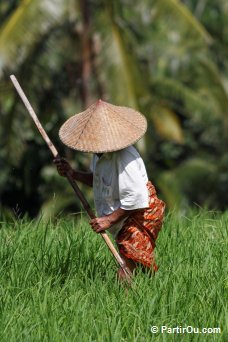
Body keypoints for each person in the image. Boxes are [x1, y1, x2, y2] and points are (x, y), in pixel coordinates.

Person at [54, 99, 165, 280]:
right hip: (127, 211)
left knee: (126, 263)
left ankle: (127, 302)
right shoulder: (99, 155)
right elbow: (99, 181)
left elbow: (136, 197)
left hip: (141, 213)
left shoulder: (123, 156)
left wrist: (108, 220)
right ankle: (145, 295)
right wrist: (72, 173)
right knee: (136, 265)